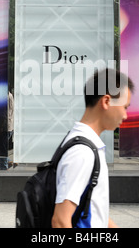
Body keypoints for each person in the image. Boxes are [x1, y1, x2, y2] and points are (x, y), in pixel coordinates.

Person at [52, 68, 134, 228]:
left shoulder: (87, 145)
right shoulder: (82, 152)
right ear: (106, 101)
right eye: (125, 107)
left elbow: (94, 211)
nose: (125, 115)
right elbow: (60, 221)